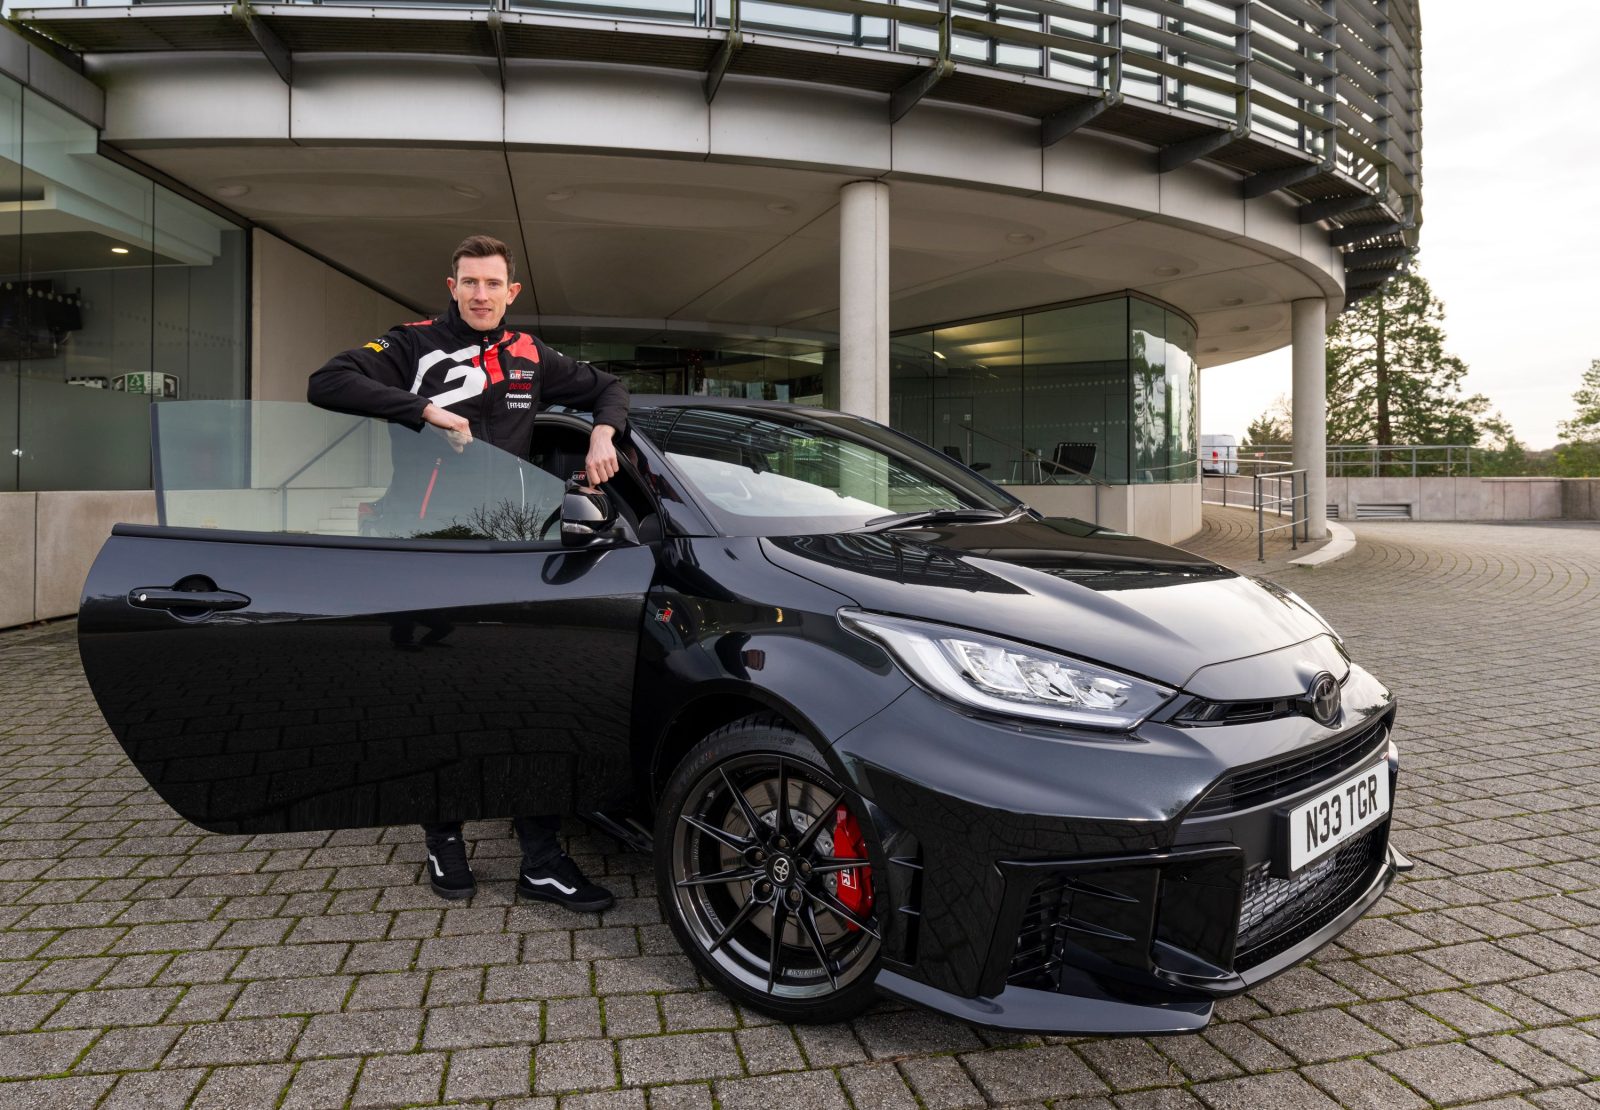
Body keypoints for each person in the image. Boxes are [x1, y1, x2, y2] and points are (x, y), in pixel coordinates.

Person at [307, 234, 622, 911]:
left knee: (525, 702)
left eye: (494, 284)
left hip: (507, 549)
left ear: (512, 292)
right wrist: (421, 409)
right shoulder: (411, 344)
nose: (481, 295)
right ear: (452, 285)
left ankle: (541, 859)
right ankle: (443, 838)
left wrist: (603, 433)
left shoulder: (531, 355)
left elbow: (609, 388)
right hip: (420, 550)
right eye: (470, 283)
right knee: (438, 700)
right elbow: (327, 382)